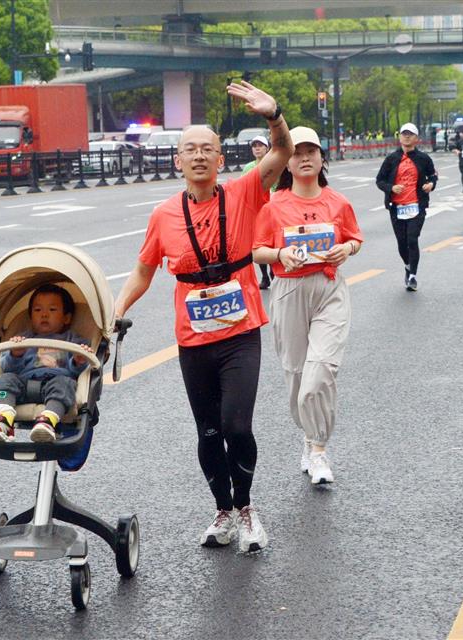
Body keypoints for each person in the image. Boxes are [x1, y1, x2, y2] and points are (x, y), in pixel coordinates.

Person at [113, 81, 293, 553]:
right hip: (193, 340)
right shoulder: (163, 215)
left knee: (237, 426)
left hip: (240, 332)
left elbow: (281, 152)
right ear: (177, 160)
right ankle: (223, 510)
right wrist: (115, 309)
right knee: (209, 432)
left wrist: (273, 114)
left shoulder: (245, 192)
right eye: (189, 149)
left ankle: (248, 508)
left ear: (220, 159)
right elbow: (142, 272)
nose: (198, 156)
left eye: (207, 149)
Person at [253, 126, 363, 486]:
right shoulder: (274, 205)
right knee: (297, 376)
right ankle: (308, 438)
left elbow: (354, 239)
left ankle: (318, 450)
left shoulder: (337, 202)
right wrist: (281, 253)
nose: (304, 158)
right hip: (288, 291)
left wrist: (346, 249)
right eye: (297, 153)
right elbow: (257, 250)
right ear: (287, 161)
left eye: (311, 152)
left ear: (321, 157)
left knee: (320, 374)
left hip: (329, 289)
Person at [0, 284, 94, 443]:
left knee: (65, 383)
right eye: (37, 310)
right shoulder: (23, 340)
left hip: (55, 382)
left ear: (66, 318)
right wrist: (16, 354)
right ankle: (4, 420)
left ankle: (48, 420)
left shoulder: (74, 340)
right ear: (30, 316)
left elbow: (78, 371)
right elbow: (8, 368)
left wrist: (78, 359)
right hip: (24, 384)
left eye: (52, 310)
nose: (44, 315)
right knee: (4, 380)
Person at [375, 122, 439, 291]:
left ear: (416, 138)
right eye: (404, 133)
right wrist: (391, 188)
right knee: (402, 243)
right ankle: (407, 265)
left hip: (416, 206)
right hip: (397, 207)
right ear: (400, 137)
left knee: (412, 238)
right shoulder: (391, 159)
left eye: (410, 134)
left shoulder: (424, 159)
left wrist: (430, 184)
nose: (407, 136)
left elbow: (433, 176)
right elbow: (379, 180)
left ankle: (413, 276)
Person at [242, 135, 276, 290]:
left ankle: (274, 272)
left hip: (273, 209)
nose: (257, 148)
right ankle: (264, 276)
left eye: (260, 145)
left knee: (273, 242)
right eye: (254, 145)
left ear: (267, 148)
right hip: (256, 210)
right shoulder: (248, 168)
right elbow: (243, 189)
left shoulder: (275, 164)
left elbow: (281, 185)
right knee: (259, 243)